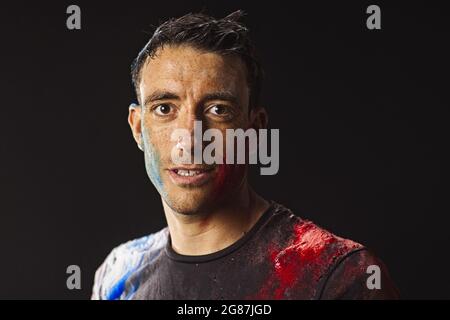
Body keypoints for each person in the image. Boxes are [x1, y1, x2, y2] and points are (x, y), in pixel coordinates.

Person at [91, 11, 399, 300]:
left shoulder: (337, 277)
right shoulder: (118, 274)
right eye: (164, 109)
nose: (190, 139)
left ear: (254, 130)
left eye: (218, 110)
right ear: (137, 128)